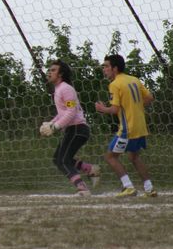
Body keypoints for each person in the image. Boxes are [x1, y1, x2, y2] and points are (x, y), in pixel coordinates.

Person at [94, 54, 156, 198]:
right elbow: (149, 98)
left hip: (128, 128)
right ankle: (149, 189)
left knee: (110, 157)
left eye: (106, 66)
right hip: (141, 126)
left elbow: (115, 109)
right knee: (134, 157)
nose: (104, 69)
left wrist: (102, 109)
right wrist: (135, 107)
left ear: (115, 68)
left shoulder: (115, 84)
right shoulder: (134, 79)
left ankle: (128, 187)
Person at [39, 60, 99, 196]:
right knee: (58, 159)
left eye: (53, 70)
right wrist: (50, 124)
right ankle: (89, 168)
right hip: (73, 129)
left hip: (77, 129)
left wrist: (55, 127)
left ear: (61, 74)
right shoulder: (59, 89)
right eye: (49, 70)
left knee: (63, 161)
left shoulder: (65, 89)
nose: (49, 72)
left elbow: (71, 112)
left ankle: (82, 188)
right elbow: (63, 113)